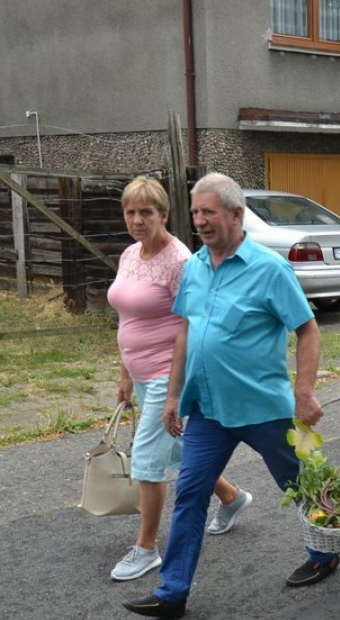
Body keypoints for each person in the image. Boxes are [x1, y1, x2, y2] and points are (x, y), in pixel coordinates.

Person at [123, 172, 329, 620]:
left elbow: (307, 329)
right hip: (209, 410)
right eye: (195, 212)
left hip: (262, 408)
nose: (200, 220)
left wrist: (305, 391)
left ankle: (325, 551)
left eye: (208, 212)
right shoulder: (195, 266)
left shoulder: (270, 269)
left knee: (299, 482)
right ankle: (172, 591)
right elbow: (185, 332)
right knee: (192, 492)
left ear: (236, 215)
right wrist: (174, 394)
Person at [107, 176, 250, 581]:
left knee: (149, 461)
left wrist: (177, 386)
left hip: (168, 374)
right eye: (130, 212)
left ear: (164, 214)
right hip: (139, 371)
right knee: (179, 450)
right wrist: (124, 376)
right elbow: (127, 318)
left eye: (145, 212)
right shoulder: (130, 255)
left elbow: (193, 322)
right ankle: (232, 497)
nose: (136, 220)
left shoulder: (180, 260)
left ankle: (147, 547)